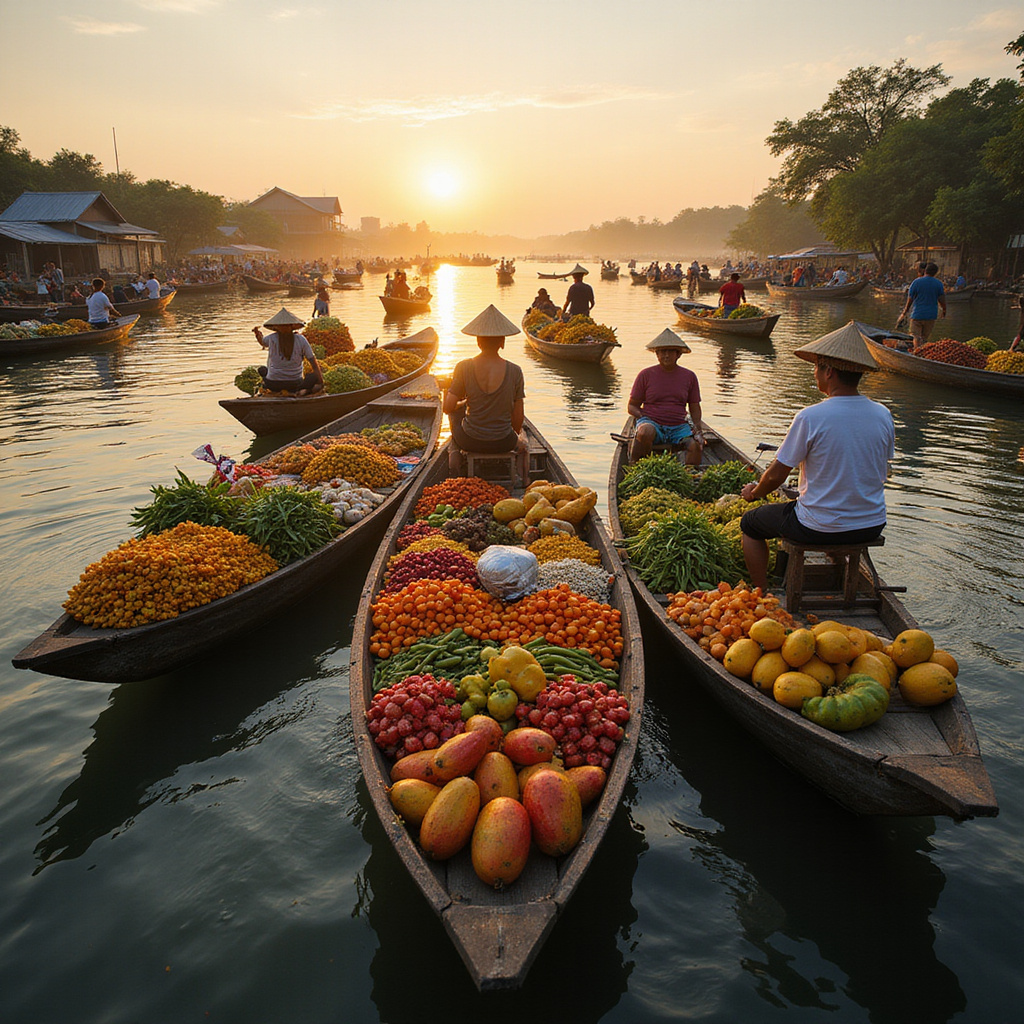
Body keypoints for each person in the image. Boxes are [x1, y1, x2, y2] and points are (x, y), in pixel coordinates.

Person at [738, 323, 894, 592]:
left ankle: (761, 591)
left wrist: (755, 492)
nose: (814, 373)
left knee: (750, 524)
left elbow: (777, 474)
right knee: (827, 512)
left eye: (817, 368)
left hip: (818, 526)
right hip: (871, 523)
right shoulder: (883, 414)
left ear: (829, 371)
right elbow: (882, 468)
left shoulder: (811, 416)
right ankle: (839, 569)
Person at [443, 305, 529, 483]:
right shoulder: (515, 371)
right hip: (503, 441)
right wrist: (512, 435)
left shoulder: (463, 367)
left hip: (470, 440)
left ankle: (454, 457)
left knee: (454, 413)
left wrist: (462, 403)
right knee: (524, 441)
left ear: (478, 342)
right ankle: (525, 479)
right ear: (502, 342)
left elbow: (447, 407)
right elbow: (518, 419)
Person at [627, 328, 704, 466]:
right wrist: (643, 416)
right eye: (662, 351)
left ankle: (690, 476)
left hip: (678, 427)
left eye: (670, 351)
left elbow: (694, 407)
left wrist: (698, 431)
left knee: (695, 446)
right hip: (652, 423)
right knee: (645, 432)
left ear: (678, 354)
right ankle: (636, 465)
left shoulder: (689, 376)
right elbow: (632, 406)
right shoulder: (645, 375)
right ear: (657, 354)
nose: (666, 355)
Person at [251, 307, 323, 395]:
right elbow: (313, 362)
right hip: (295, 384)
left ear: (276, 327)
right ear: (292, 326)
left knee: (262, 370)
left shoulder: (271, 338)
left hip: (273, 384)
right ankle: (304, 391)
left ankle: (273, 389)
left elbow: (262, 343)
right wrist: (320, 383)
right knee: (313, 377)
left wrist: (258, 336)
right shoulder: (301, 339)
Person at [897, 262, 946, 347]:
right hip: (931, 315)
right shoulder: (938, 284)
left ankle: (916, 353)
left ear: (925, 271)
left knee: (915, 337)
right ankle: (922, 353)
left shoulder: (916, 282)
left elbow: (910, 299)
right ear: (935, 273)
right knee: (924, 338)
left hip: (917, 315)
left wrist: (905, 312)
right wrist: (944, 310)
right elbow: (941, 299)